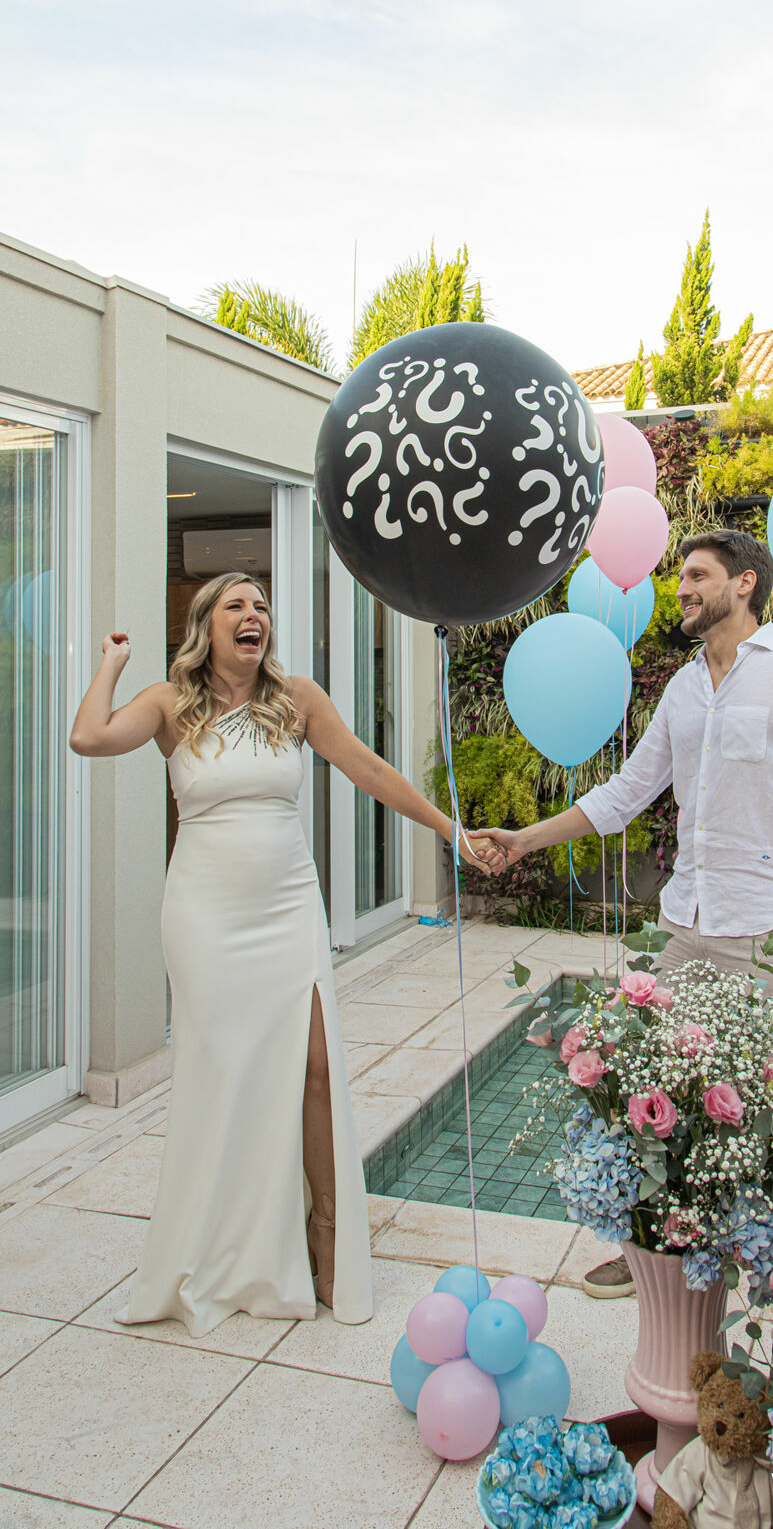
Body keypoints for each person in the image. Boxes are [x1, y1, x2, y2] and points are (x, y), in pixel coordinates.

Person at [70, 572, 501, 1338]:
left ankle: (324, 1231)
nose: (254, 615)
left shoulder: (296, 698)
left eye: (262, 605)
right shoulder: (171, 705)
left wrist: (448, 829)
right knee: (223, 1070)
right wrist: (110, 662)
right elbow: (89, 738)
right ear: (206, 627)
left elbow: (368, 769)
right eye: (236, 605)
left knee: (314, 1066)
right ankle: (222, 1242)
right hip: (203, 913)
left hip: (287, 904)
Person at [471, 530, 773, 1298]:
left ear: (744, 583)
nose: (682, 589)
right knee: (659, 1090)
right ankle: (654, 1246)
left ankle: (772, 1252)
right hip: (687, 924)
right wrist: (524, 842)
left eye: (697, 575)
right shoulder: (684, 687)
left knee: (772, 1100)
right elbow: (626, 793)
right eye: (680, 576)